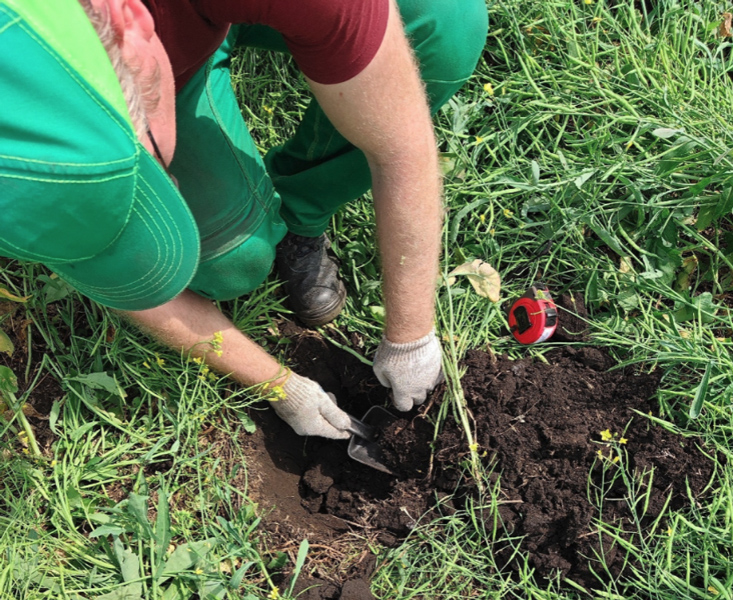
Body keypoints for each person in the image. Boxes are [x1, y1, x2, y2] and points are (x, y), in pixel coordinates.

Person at [0, 0, 488, 439]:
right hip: (171, 39)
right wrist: (280, 386)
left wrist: (411, 336)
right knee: (234, 261)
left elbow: (402, 149)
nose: (167, 185)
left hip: (185, 28)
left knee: (442, 26)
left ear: (129, 24)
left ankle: (304, 210)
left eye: (146, 167)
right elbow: (110, 266)